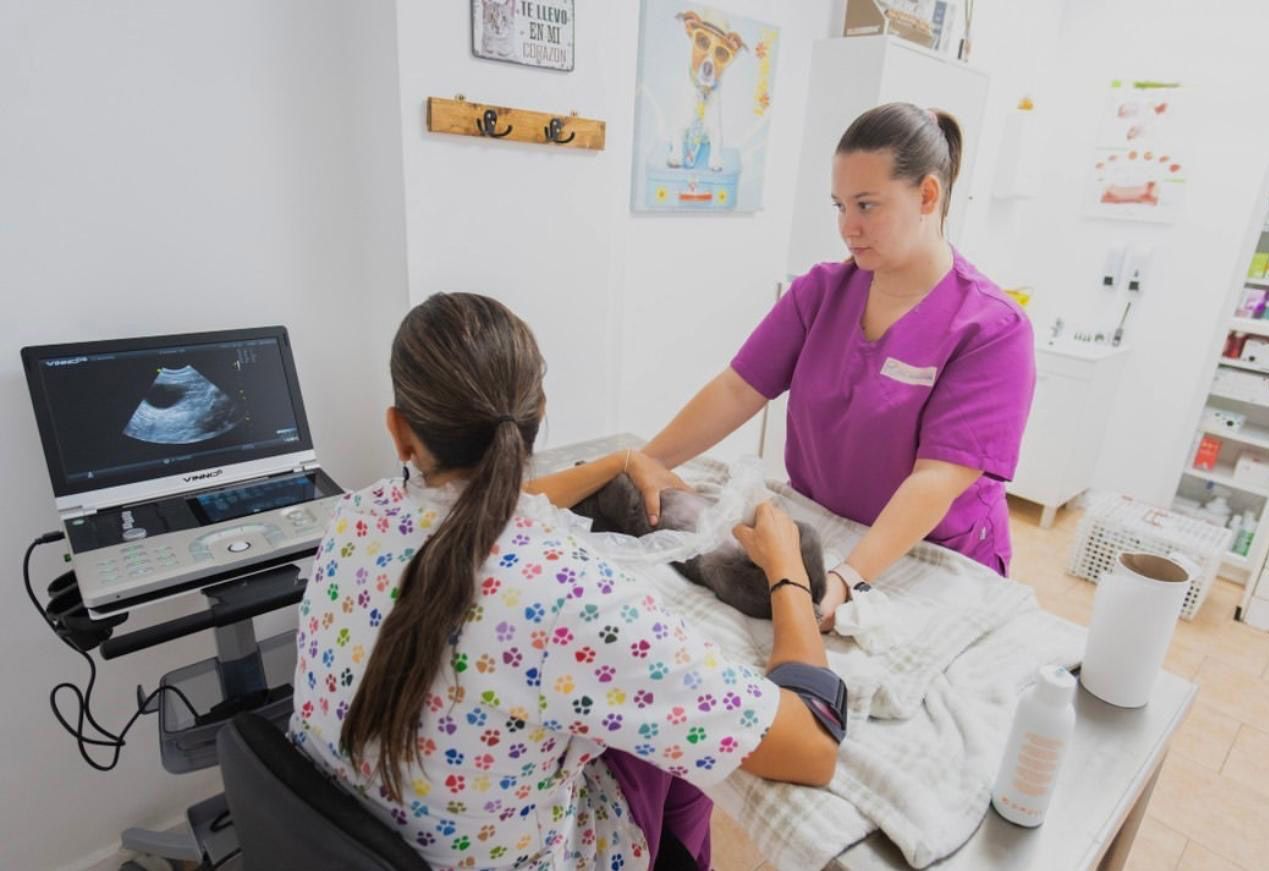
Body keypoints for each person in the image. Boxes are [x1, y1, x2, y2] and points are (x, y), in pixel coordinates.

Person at [289, 292, 845, 871]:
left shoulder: (353, 519)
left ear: (400, 432)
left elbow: (474, 508)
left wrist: (616, 462)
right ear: (537, 413)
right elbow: (811, 748)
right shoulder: (569, 601)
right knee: (662, 753)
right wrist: (787, 574)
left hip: (360, 841)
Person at [635, 102, 1037, 630]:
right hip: (826, 526)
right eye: (839, 206)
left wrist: (849, 577)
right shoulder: (821, 293)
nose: (848, 227)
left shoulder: (991, 328)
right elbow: (738, 389)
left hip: (930, 555)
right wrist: (645, 461)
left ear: (928, 195)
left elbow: (936, 479)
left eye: (867, 205)